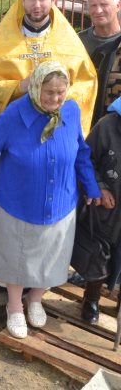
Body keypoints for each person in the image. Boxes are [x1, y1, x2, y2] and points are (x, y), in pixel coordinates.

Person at [0, 0, 97, 285]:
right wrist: (19, 85)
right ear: (22, 0)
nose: (37, 5)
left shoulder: (67, 40)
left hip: (53, 133)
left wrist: (55, 100)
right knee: (10, 203)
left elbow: (85, 83)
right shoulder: (6, 37)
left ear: (53, 0)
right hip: (15, 132)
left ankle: (38, 277)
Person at [0, 62, 101, 339]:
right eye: (48, 92)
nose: (55, 99)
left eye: (60, 92)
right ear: (36, 88)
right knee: (17, 258)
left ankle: (35, 300)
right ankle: (14, 306)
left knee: (51, 257)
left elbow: (81, 152)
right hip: (19, 201)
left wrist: (91, 187)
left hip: (61, 202)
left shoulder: (70, 110)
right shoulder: (14, 114)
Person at [81, 94, 121, 324]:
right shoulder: (107, 125)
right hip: (107, 210)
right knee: (99, 256)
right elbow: (86, 159)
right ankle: (91, 299)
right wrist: (100, 188)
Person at [78, 0, 121, 126]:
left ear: (118, 6)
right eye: (93, 5)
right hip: (82, 124)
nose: (98, 10)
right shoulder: (76, 42)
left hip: (115, 130)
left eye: (104, 4)